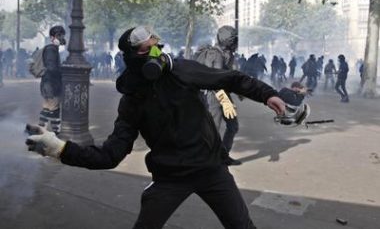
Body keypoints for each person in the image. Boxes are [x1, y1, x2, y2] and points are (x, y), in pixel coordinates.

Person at [26, 25, 286, 229]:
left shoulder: (182, 70)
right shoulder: (132, 100)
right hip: (170, 178)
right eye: (146, 50)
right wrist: (60, 149)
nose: (156, 54)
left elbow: (232, 78)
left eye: (157, 47)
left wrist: (268, 95)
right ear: (132, 58)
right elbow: (109, 155)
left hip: (212, 170)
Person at [194, 26, 242, 166]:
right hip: (216, 95)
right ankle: (207, 161)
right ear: (227, 40)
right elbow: (216, 80)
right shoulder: (216, 54)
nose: (236, 43)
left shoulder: (226, 54)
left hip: (222, 94)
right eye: (233, 39)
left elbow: (228, 76)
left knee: (233, 126)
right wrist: (226, 100)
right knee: (213, 130)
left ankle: (222, 155)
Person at [38, 25, 66, 134]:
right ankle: (56, 133)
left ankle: (40, 131)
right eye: (59, 35)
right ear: (52, 37)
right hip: (51, 84)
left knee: (47, 108)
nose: (61, 38)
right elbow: (51, 68)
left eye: (61, 35)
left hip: (47, 84)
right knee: (54, 109)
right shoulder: (51, 49)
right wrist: (62, 70)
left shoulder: (53, 49)